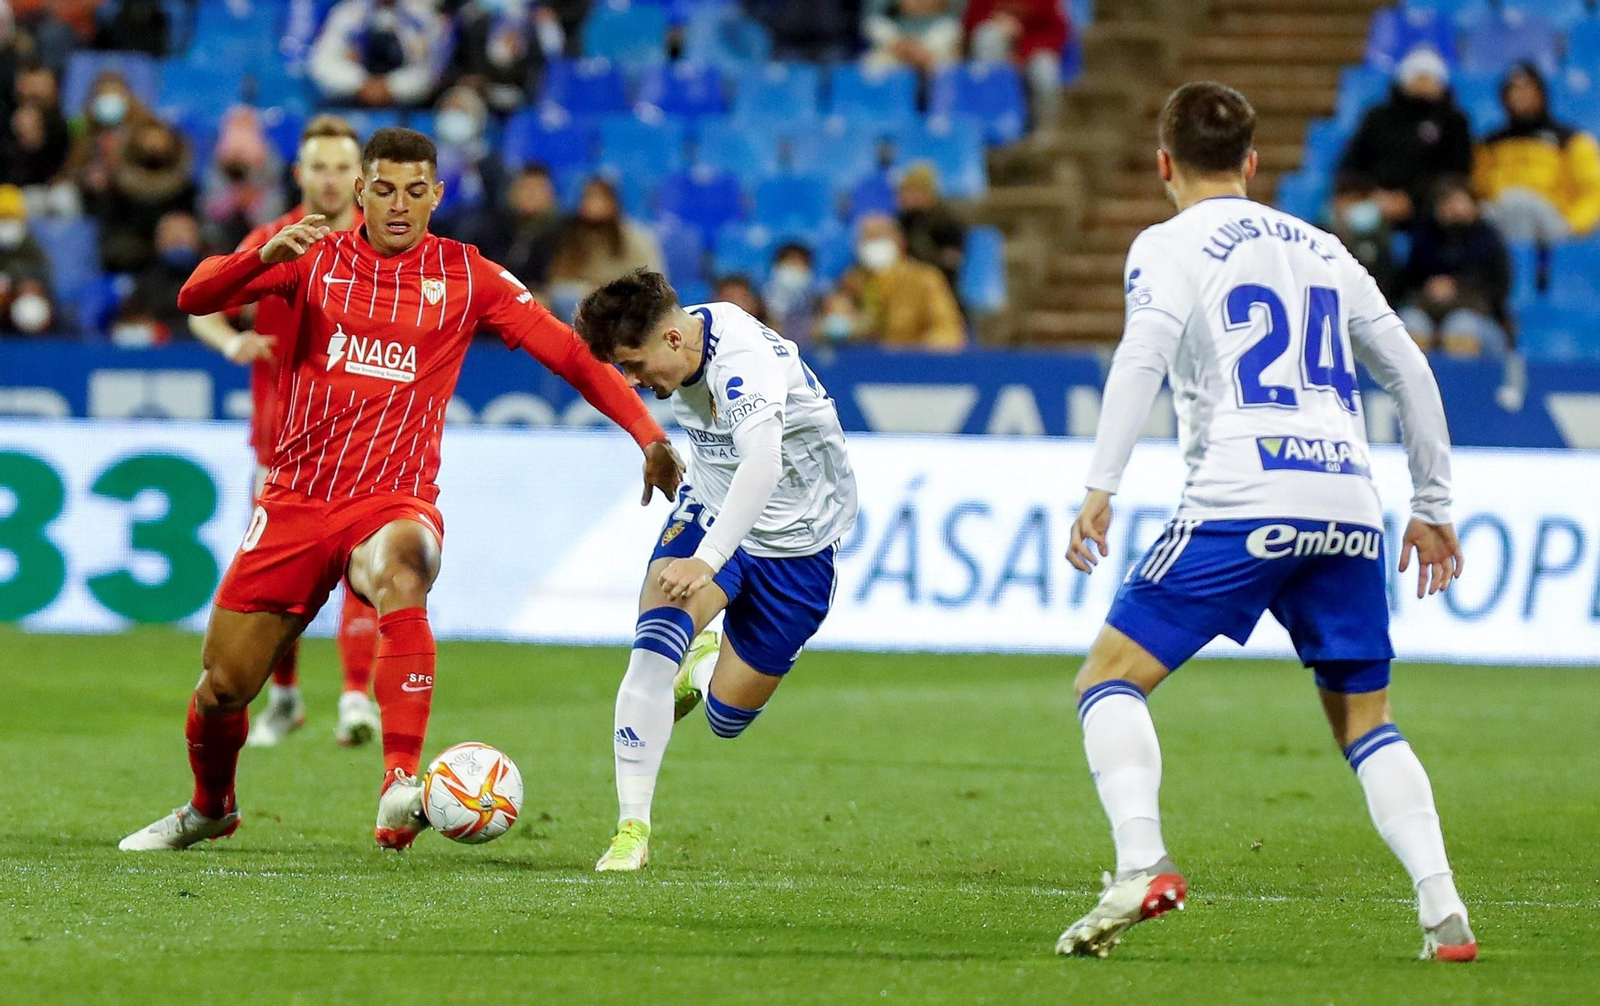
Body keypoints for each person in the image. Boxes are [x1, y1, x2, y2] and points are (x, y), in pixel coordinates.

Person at [118, 127, 682, 852]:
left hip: (391, 499)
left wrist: (649, 434)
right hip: (296, 500)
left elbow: (570, 355)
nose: (398, 205)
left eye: (416, 191)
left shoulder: (466, 274)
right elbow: (195, 297)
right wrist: (258, 259)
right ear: (361, 190)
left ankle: (397, 785)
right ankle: (209, 808)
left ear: (437, 195)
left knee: (405, 568)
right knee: (223, 688)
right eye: (383, 188)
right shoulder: (313, 255)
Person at [1056, 82, 1474, 963]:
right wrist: (1432, 505)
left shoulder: (1168, 244)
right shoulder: (1324, 247)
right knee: (1367, 723)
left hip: (1243, 497)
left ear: (1163, 163)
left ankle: (1141, 863)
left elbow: (1143, 355)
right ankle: (1443, 908)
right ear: (1252, 164)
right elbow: (1411, 371)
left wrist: (1102, 482)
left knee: (1107, 681)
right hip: (1349, 504)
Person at [574, 268, 856, 871]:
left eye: (634, 365)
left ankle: (703, 668)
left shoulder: (742, 360)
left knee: (728, 717)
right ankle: (631, 831)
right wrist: (655, 446)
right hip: (712, 507)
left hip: (800, 541)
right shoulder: (679, 342)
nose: (632, 381)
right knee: (651, 651)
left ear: (672, 341)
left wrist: (708, 560)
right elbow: (731, 471)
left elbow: (763, 467)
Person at [188, 114, 385, 749]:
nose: (330, 181)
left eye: (342, 168)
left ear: (360, 177)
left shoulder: (383, 247)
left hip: (359, 446)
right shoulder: (272, 239)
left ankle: (356, 696)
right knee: (278, 591)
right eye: (319, 168)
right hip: (279, 449)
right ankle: (287, 696)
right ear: (300, 174)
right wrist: (232, 338)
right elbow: (203, 304)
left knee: (365, 569)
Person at [1335, 45, 1472, 230]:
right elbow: (1353, 163)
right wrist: (1374, 194)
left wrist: (1411, 198)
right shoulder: (1377, 117)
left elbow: (1458, 170)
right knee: (1352, 216)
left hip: (1430, 204)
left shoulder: (1454, 121)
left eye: (1429, 77)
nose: (1424, 83)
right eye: (1418, 76)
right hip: (1377, 200)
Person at [1473, 61, 1600, 245]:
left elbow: (1593, 192)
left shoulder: (1571, 141)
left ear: (1541, 93)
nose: (1520, 96)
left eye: (1528, 89)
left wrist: (1572, 226)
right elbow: (1478, 190)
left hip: (1554, 225)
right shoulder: (1490, 143)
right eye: (1514, 90)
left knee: (1520, 203)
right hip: (1500, 223)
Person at [1399, 177, 1511, 358]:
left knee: (1460, 327)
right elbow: (1407, 285)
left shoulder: (1490, 240)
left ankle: (1460, 385)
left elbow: (1498, 292)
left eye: (1460, 201)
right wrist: (1430, 290)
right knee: (1410, 324)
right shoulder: (1423, 239)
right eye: (1447, 202)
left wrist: (1457, 290)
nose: (1455, 208)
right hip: (1429, 313)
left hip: (1479, 317)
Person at [547, 176, 663, 319]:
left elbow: (650, 282)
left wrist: (605, 294)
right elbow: (559, 279)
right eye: (588, 197)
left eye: (599, 198)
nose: (592, 204)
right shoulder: (572, 238)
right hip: (581, 304)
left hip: (623, 306)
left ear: (613, 202)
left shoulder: (635, 238)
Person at [849, 212, 965, 350]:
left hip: (914, 364)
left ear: (900, 242)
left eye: (880, 237)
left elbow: (948, 331)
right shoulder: (851, 283)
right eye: (867, 238)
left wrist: (914, 354)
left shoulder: (925, 279)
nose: (873, 244)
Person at [96, 116, 197, 273]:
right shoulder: (118, 190)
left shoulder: (186, 189)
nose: (154, 146)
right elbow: (112, 242)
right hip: (133, 267)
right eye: (148, 141)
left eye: (159, 142)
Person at [309, 0, 451, 107]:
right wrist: (361, 84)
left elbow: (432, 70)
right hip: (353, 99)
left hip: (409, 104)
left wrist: (391, 87)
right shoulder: (347, 14)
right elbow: (321, 64)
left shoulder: (424, 17)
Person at [962, 0, 1069, 132]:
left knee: (1045, 69)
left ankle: (1045, 131)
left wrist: (1021, 53)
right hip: (999, 54)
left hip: (1033, 51)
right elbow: (969, 23)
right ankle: (991, 121)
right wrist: (996, 21)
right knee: (988, 36)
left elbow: (1057, 33)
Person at [463, 164, 563, 296]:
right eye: (526, 188)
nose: (531, 195)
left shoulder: (562, 235)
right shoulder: (490, 228)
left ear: (550, 195)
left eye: (538, 189)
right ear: (512, 192)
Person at [200, 107, 289, 253]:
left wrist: (253, 202)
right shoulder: (216, 167)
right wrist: (233, 200)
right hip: (221, 240)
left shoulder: (272, 167)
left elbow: (275, 216)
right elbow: (207, 211)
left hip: (262, 243)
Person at [110, 209, 205, 345]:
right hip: (156, 356)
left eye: (184, 232)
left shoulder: (215, 279)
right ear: (158, 241)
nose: (177, 239)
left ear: (198, 239)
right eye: (170, 233)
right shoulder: (143, 283)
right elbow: (126, 323)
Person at [895, 163, 966, 297]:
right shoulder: (903, 220)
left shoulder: (946, 222)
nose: (902, 197)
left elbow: (951, 261)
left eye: (909, 191)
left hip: (941, 292)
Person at [0, 182, 55, 334]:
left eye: (11, 217)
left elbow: (44, 279)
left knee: (30, 310)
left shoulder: (31, 247)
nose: (5, 223)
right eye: (2, 217)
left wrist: (18, 284)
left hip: (18, 307)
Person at [863, 0, 962, 76]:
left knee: (949, 65)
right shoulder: (886, 21)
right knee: (874, 64)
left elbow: (957, 20)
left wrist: (924, 51)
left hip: (935, 53)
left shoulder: (950, 25)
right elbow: (872, 22)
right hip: (897, 48)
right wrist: (898, 44)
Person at [763, 242, 820, 345]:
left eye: (799, 264)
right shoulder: (759, 304)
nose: (794, 269)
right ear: (776, 267)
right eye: (790, 263)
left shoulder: (818, 303)